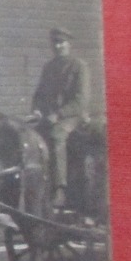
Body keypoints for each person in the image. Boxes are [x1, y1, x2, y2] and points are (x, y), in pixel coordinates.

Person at [32, 26, 91, 207]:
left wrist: (58, 115)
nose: (58, 46)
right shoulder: (49, 67)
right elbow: (39, 94)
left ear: (68, 44)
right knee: (30, 137)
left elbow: (81, 100)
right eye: (55, 43)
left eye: (61, 42)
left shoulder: (78, 66)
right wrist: (36, 109)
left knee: (57, 135)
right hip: (49, 116)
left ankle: (60, 188)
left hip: (72, 116)